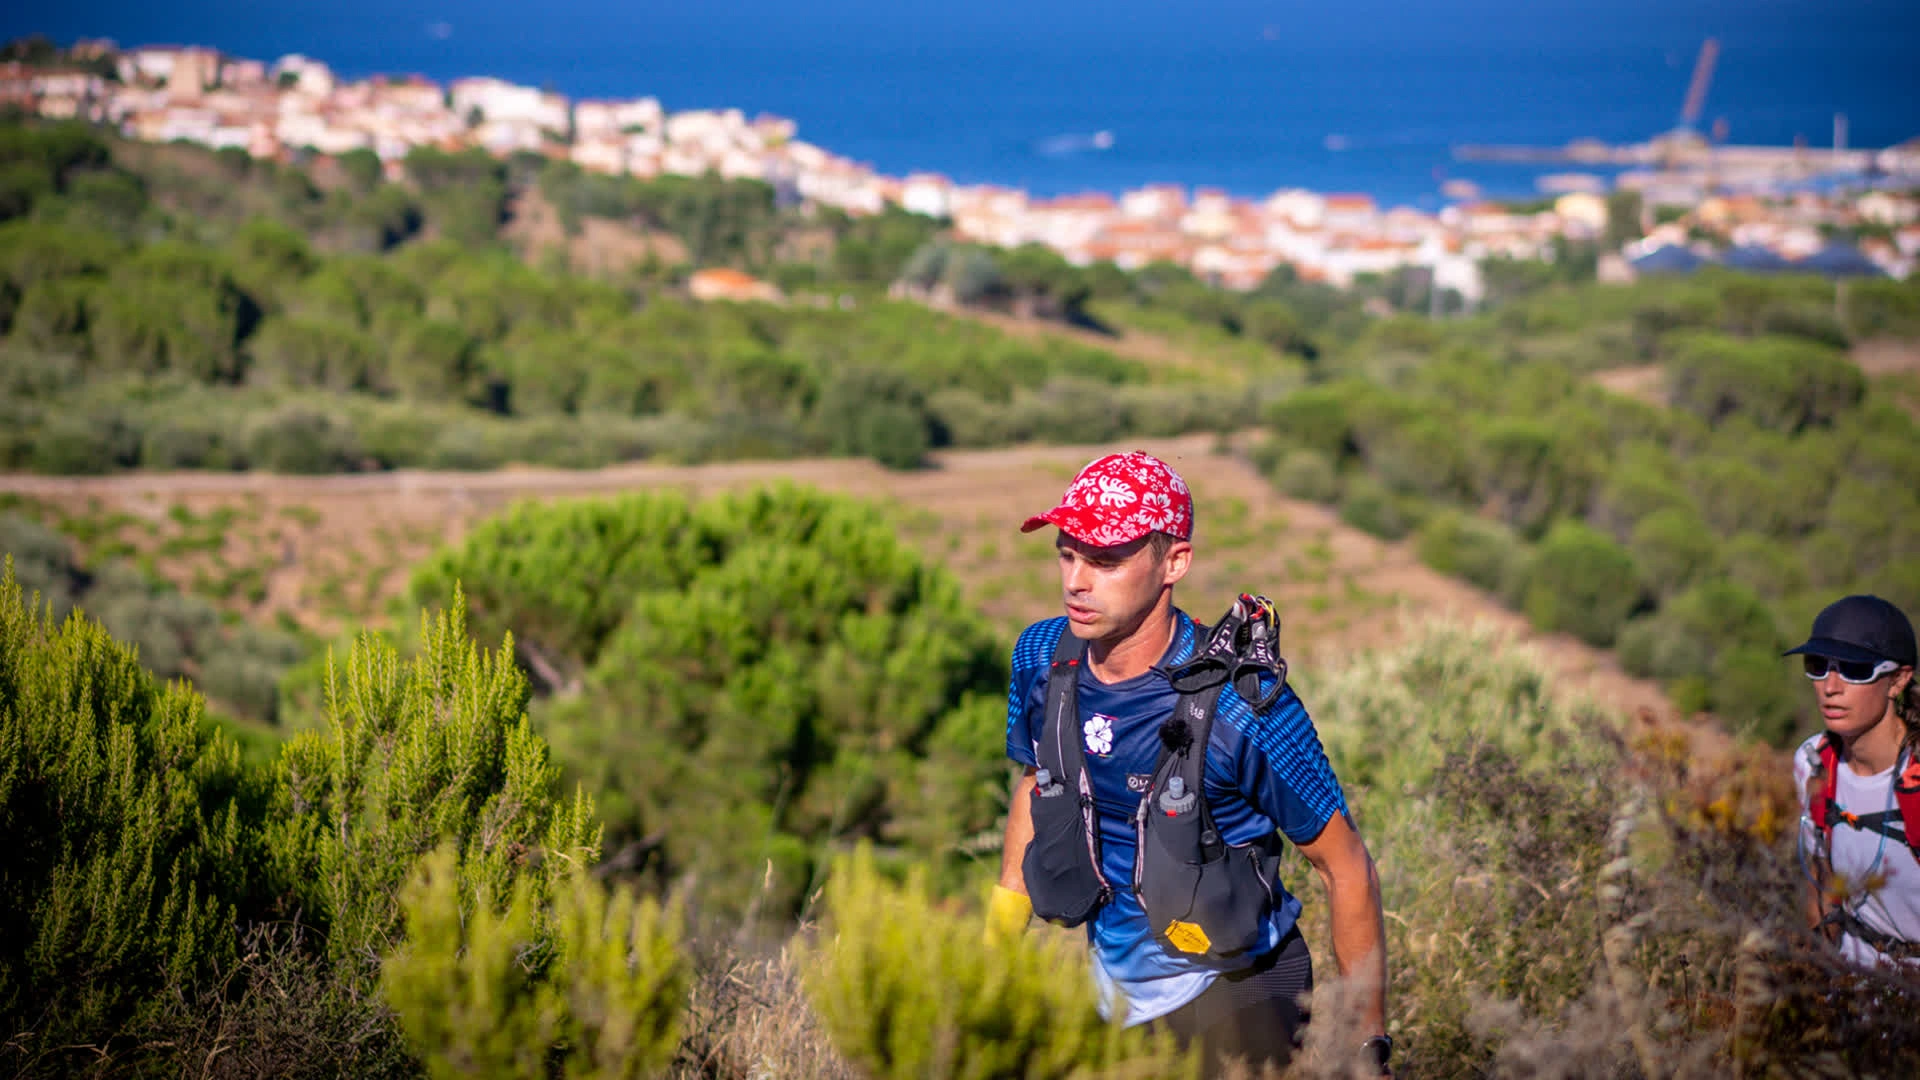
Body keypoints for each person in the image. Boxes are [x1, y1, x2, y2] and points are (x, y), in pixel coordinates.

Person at [985, 450, 1390, 1076]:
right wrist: (993, 957)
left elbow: (1346, 867)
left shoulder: (1244, 707)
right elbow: (1039, 787)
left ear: (1174, 561)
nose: (1076, 581)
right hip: (1116, 997)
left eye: (1106, 559)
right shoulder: (1041, 655)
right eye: (1067, 554)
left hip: (1243, 990)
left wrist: (1369, 1052)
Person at [1791, 594, 1920, 969]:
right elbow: (1821, 890)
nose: (1830, 686)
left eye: (1855, 669)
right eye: (1818, 666)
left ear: (1898, 680)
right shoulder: (1813, 763)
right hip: (1849, 1000)